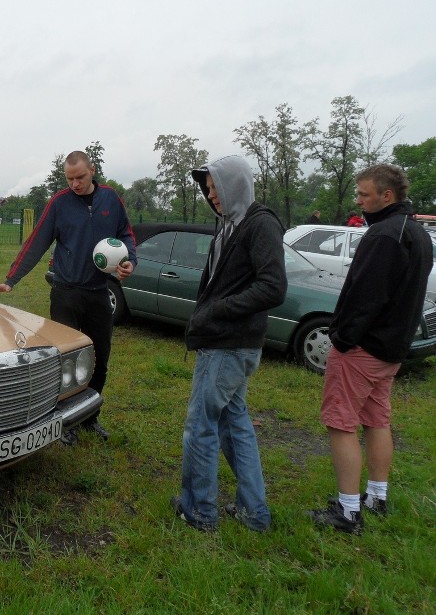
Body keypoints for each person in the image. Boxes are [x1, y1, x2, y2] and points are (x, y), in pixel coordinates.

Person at [308, 164, 433, 534]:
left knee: (340, 422)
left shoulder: (383, 235)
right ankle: (376, 496)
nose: (359, 201)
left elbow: (365, 295)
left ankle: (348, 511)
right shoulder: (416, 234)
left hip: (363, 349)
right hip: (392, 349)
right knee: (377, 419)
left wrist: (342, 338)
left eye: (363, 194)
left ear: (387, 195)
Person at [0, 150, 136, 445]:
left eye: (80, 177)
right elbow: (37, 242)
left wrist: (130, 259)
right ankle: (65, 422)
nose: (75, 184)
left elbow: (127, 235)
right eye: (69, 179)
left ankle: (90, 417)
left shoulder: (111, 199)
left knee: (99, 359)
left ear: (92, 170)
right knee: (66, 362)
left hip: (98, 294)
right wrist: (11, 280)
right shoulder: (60, 203)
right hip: (66, 293)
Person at [171, 155, 287, 532]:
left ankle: (199, 510)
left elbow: (273, 287)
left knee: (200, 427)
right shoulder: (229, 226)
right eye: (207, 190)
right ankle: (255, 512)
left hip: (230, 345)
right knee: (234, 424)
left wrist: (218, 311)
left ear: (235, 184)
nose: (211, 196)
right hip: (225, 342)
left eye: (216, 187)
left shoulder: (260, 224)